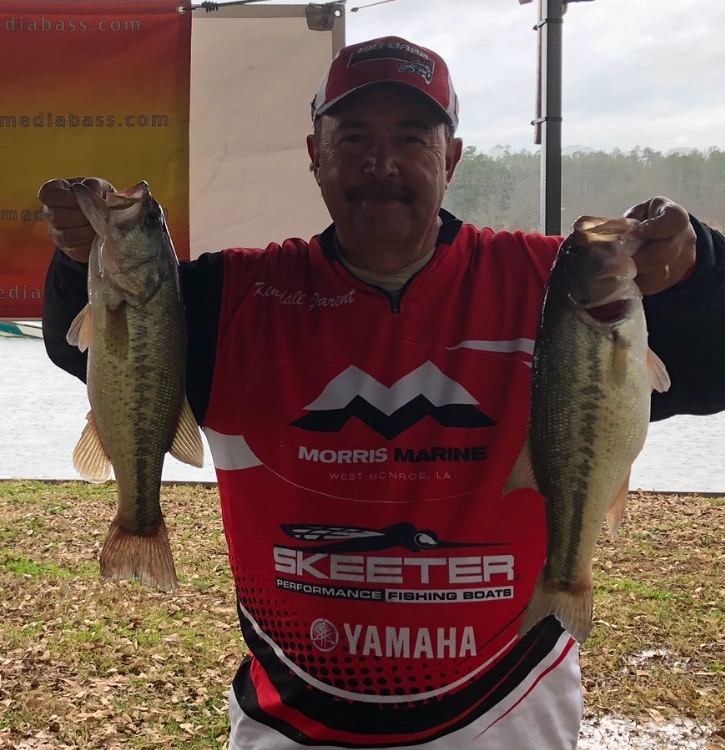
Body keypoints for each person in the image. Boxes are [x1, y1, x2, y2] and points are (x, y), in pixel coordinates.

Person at [40, 36, 725, 750]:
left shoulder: (560, 289)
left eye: (411, 137)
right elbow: (102, 353)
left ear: (451, 158)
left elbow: (711, 367)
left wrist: (697, 269)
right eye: (354, 137)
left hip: (508, 706)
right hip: (290, 716)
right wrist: (79, 261)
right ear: (315, 154)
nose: (381, 163)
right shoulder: (230, 294)